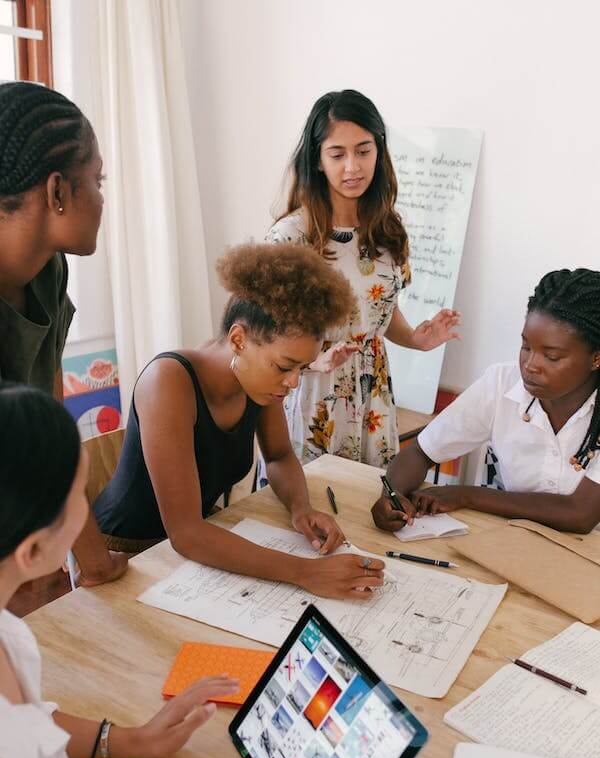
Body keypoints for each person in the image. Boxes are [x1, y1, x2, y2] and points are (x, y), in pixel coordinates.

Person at [0, 381, 307, 758]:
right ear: (33, 551)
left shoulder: (10, 633)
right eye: (80, 500)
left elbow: (22, 727)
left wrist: (123, 740)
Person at [94, 242, 386, 599]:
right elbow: (185, 533)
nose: (293, 382)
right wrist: (305, 571)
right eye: (284, 366)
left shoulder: (260, 383)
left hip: (200, 539)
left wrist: (301, 509)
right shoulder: (168, 382)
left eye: (301, 368)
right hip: (127, 554)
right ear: (239, 339)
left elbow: (278, 456)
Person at [266, 89, 460, 469]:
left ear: (379, 151)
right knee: (312, 511)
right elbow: (262, 338)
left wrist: (418, 339)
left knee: (367, 513)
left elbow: (381, 315)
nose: (352, 167)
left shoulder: (388, 231)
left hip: (373, 393)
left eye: (363, 150)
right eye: (338, 154)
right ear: (318, 161)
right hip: (312, 393)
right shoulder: (290, 238)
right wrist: (313, 362)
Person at [0, 80, 125, 589]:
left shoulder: (50, 271)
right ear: (56, 192)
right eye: (96, 181)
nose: (101, 198)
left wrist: (89, 560)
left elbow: (50, 424)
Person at [371, 268, 600, 534]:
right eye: (526, 347)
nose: (530, 365)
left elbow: (580, 514)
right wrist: (393, 494)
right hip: (516, 540)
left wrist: (466, 496)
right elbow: (420, 452)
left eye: (552, 357)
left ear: (596, 358)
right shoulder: (502, 383)